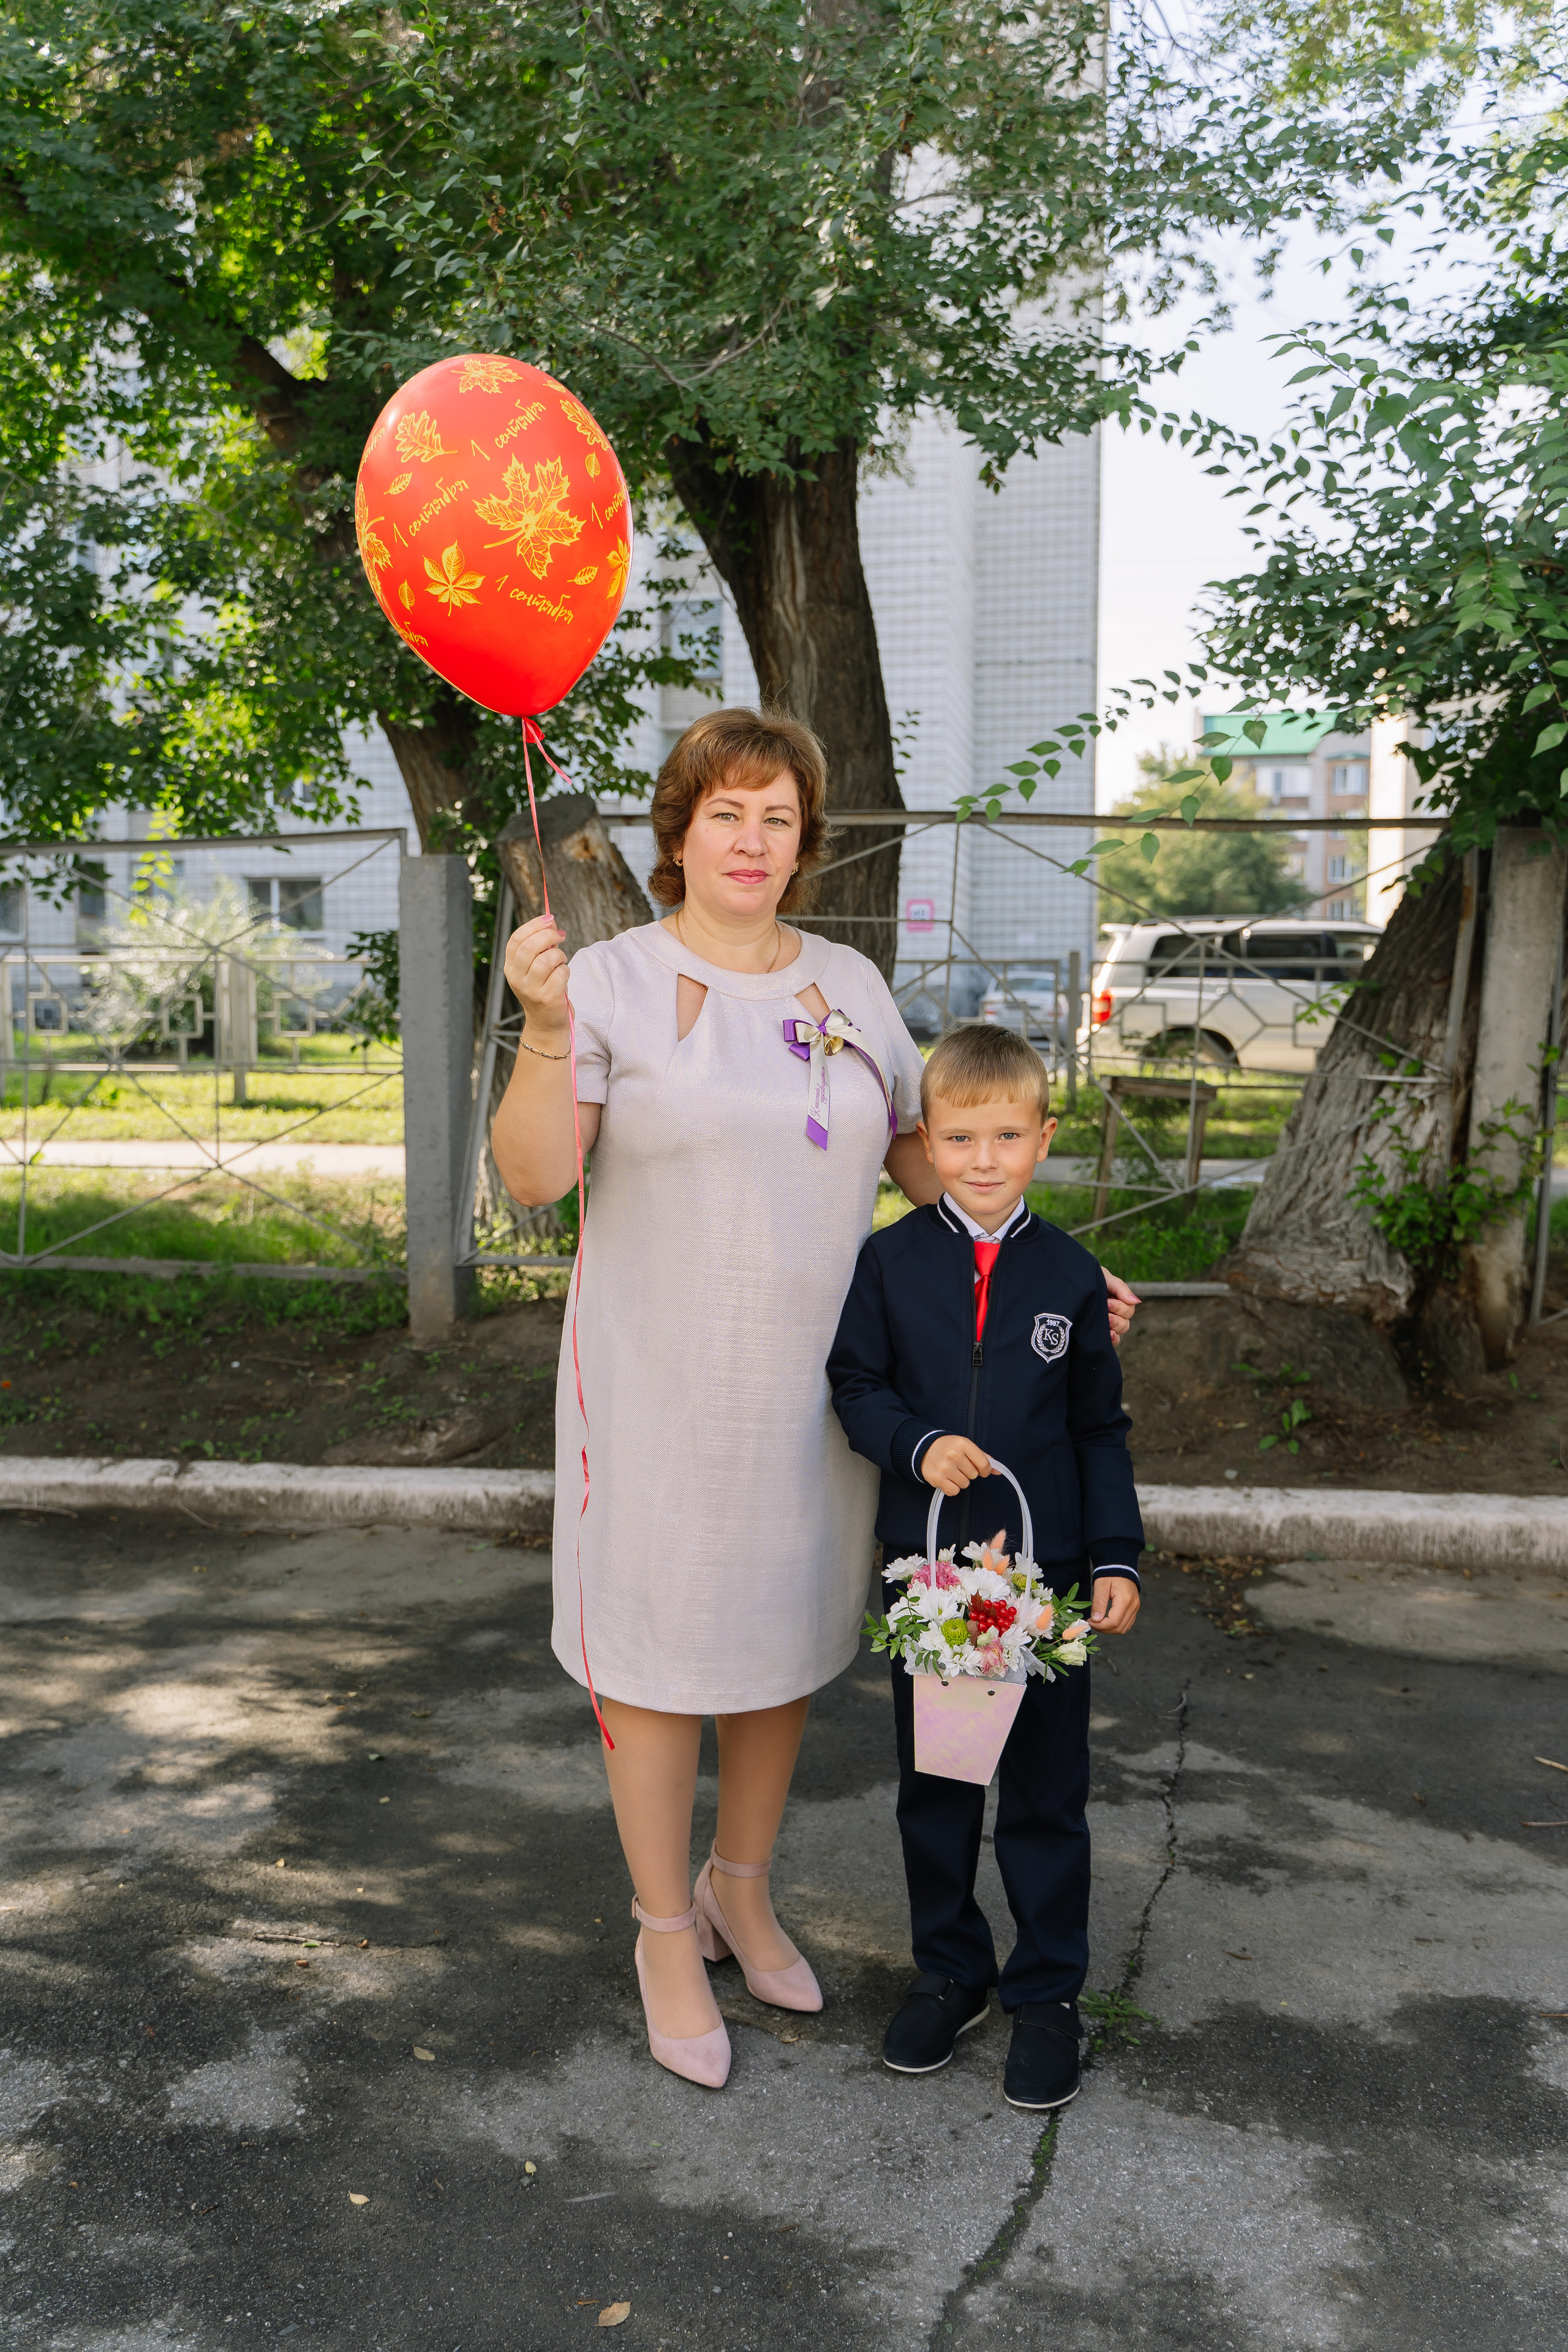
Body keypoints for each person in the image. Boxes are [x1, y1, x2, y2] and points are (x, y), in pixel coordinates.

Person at [490, 707, 1140, 2092]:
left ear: (803, 845)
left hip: (831, 1393)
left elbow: (929, 1159)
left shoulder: (847, 982)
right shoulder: (601, 978)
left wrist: (1053, 1277)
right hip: (661, 1390)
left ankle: (741, 1885)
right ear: (679, 830)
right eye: (725, 811)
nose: (750, 838)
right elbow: (536, 1179)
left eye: (777, 817)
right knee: (665, 1657)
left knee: (781, 1645)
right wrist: (545, 1030)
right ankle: (663, 1931)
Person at [827, 1021, 1143, 2113]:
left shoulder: (1067, 1276)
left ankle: (1046, 1993)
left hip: (1044, 1584)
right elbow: (855, 1385)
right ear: (926, 1137)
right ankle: (952, 1971)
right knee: (941, 1787)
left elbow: (1100, 1429)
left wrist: (1116, 1555)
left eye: (1008, 1135)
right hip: (936, 1583)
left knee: (1049, 1793)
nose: (983, 1159)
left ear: (1044, 1138)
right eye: (960, 1136)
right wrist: (916, 1445)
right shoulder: (892, 1259)